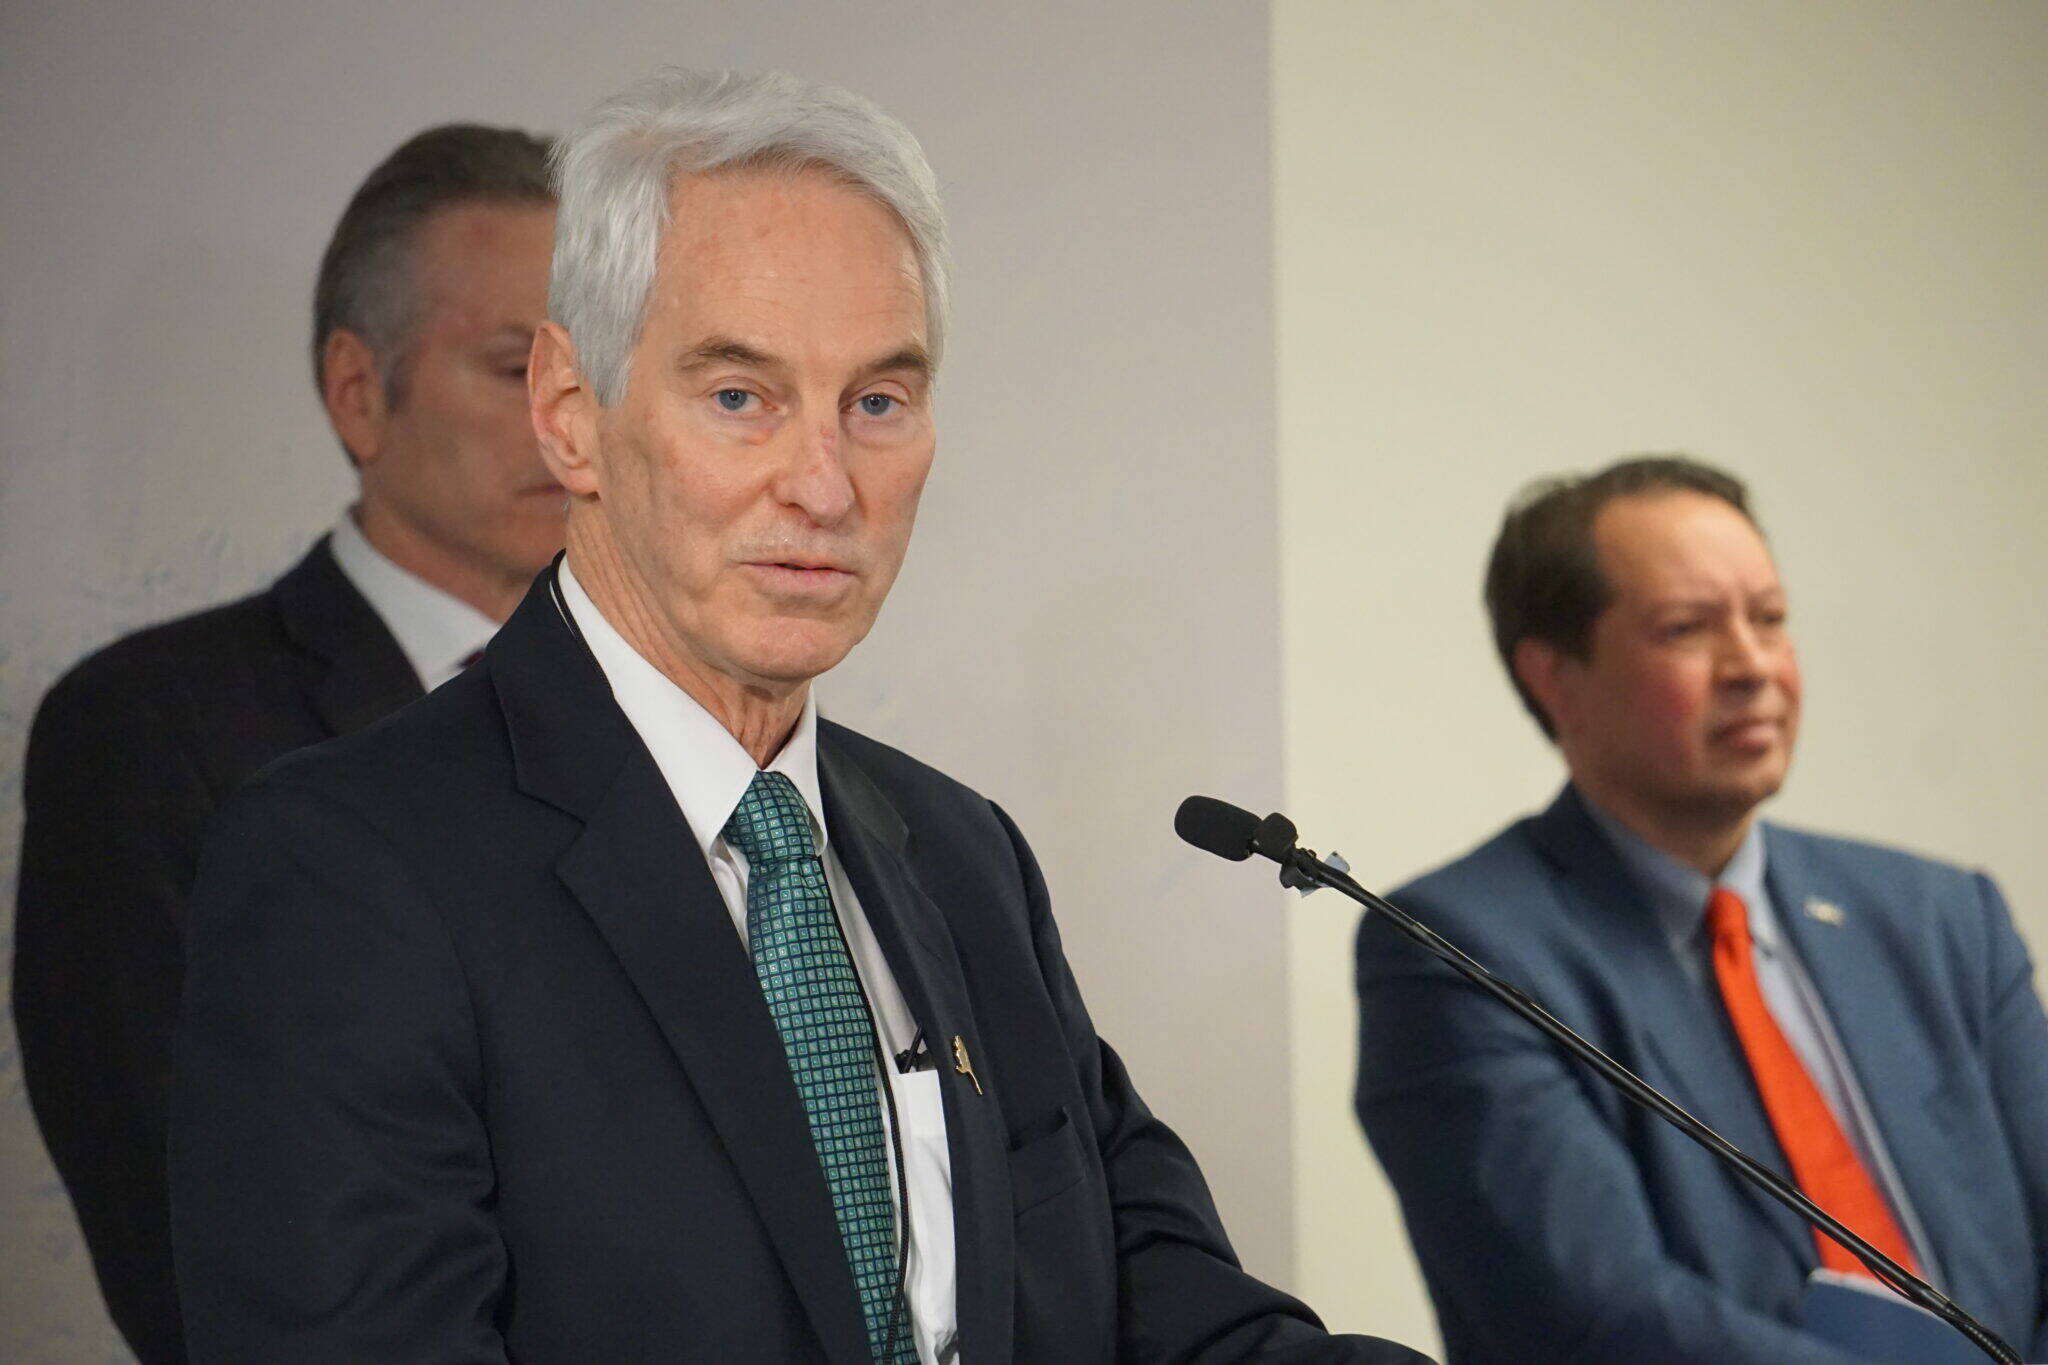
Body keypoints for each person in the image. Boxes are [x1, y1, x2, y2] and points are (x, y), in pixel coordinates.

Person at [167, 68, 1431, 1365]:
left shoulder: (959, 851)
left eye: (877, 402)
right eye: (739, 397)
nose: (825, 485)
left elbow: (1155, 1299)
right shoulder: (349, 870)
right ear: (570, 417)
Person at [12, 123, 560, 1365]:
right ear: (359, 391)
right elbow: (187, 1254)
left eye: (592, 377)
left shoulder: (678, 725)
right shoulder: (151, 734)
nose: (569, 425)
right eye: (514, 366)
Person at [1354, 455, 2048, 1363]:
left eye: (1770, 619)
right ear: (1553, 676)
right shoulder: (1456, 951)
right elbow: (1605, 1323)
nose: (1753, 665)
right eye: (1688, 628)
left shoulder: (1941, 918)